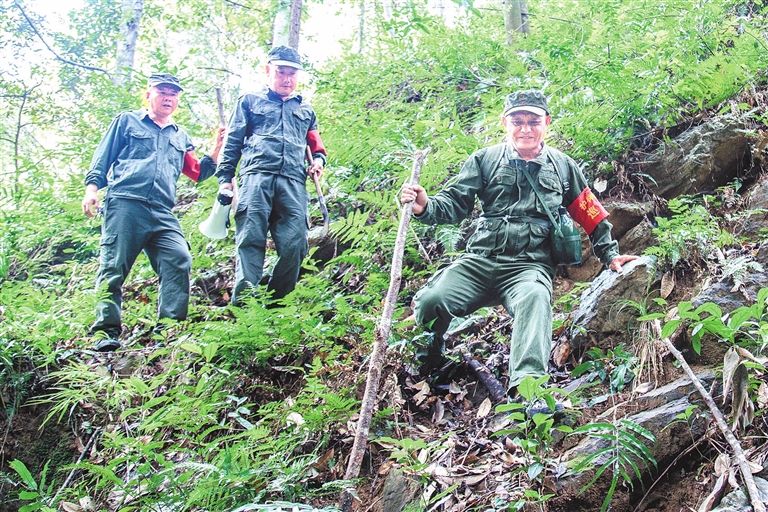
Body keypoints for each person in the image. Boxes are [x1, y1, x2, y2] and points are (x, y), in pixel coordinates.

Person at [400, 89, 637, 397]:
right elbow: (455, 202)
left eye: (533, 121)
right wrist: (423, 206)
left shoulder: (563, 166)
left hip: (529, 267)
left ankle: (529, 391)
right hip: (481, 262)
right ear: (505, 123)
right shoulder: (484, 160)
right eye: (518, 120)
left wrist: (610, 256)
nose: (526, 128)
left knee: (535, 298)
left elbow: (591, 213)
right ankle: (430, 362)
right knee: (433, 300)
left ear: (546, 123)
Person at [82, 73, 225, 351]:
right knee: (114, 266)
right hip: (126, 203)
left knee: (178, 257)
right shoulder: (127, 121)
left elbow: (197, 173)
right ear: (148, 94)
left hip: (162, 210)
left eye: (173, 93)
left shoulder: (179, 135)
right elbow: (102, 158)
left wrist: (217, 148)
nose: (168, 97)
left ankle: (168, 329)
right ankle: (105, 332)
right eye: (162, 91)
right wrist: (91, 189)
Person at [216, 46, 327, 305]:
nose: (287, 78)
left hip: (293, 181)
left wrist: (318, 162)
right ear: (268, 71)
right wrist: (225, 178)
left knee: (296, 243)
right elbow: (232, 142)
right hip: (256, 177)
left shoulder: (306, 110)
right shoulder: (249, 102)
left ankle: (277, 303)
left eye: (292, 73)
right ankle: (245, 307)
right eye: (281, 72)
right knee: (250, 238)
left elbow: (316, 146)